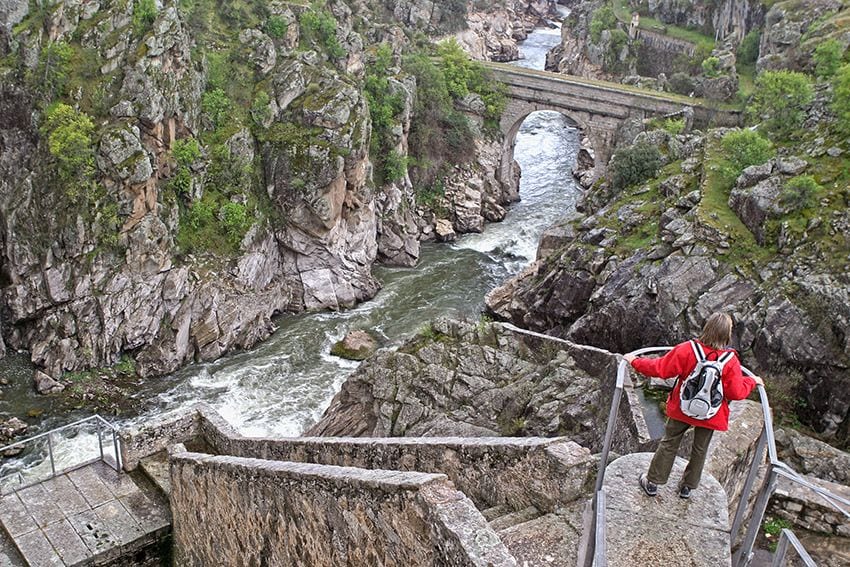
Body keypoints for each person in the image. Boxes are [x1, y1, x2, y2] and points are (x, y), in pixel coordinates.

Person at [623, 312, 764, 499]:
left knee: (669, 443)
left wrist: (635, 361)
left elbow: (660, 369)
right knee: (700, 449)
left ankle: (653, 483)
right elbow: (736, 392)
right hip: (710, 414)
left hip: (683, 407)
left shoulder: (688, 349)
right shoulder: (730, 361)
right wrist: (752, 381)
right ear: (727, 334)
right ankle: (687, 487)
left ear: (707, 328)